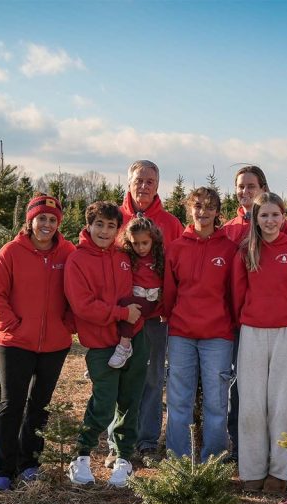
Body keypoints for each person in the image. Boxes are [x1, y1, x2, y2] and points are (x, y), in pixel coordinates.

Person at [0, 194, 76, 491]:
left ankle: (29, 465)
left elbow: (78, 293)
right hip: (14, 343)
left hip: (54, 344)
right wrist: (11, 325)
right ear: (30, 220)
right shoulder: (11, 252)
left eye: (52, 219)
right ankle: (2, 469)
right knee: (12, 405)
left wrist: (68, 325)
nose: (47, 224)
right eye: (42, 218)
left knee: (40, 406)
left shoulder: (68, 253)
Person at [65, 201, 149, 488]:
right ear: (88, 225)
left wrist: (134, 317)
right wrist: (121, 314)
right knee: (103, 401)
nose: (104, 230)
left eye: (111, 226)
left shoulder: (124, 256)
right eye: (99, 224)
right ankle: (81, 456)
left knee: (130, 400)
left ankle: (124, 458)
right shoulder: (77, 260)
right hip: (102, 344)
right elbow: (83, 306)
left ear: (118, 229)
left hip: (135, 338)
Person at [230, 192, 287, 494]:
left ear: (284, 217)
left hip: (286, 332)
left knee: (282, 404)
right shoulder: (246, 251)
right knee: (250, 403)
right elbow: (238, 293)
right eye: (264, 215)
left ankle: (280, 471)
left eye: (275, 215)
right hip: (252, 331)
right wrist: (247, 320)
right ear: (255, 219)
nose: (270, 220)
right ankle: (252, 470)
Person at [221, 165, 287, 463]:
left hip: (273, 323)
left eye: (251, 186)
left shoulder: (279, 226)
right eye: (240, 186)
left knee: (272, 391)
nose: (245, 191)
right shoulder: (228, 229)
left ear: (262, 187)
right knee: (241, 389)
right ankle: (242, 448)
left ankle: (274, 452)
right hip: (237, 320)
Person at [114, 160, 184, 466]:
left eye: (150, 181)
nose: (144, 186)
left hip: (155, 316)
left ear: (158, 186)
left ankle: (146, 440)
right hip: (121, 315)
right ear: (129, 182)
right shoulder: (114, 218)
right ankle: (118, 441)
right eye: (139, 180)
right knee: (121, 376)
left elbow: (178, 269)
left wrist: (169, 306)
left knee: (153, 377)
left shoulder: (170, 224)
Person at [161, 187, 238, 461]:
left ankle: (214, 457)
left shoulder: (228, 249)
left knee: (216, 401)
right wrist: (168, 314)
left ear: (217, 212)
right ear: (189, 209)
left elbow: (234, 293)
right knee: (180, 398)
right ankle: (178, 457)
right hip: (182, 333)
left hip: (217, 335)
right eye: (197, 206)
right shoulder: (177, 247)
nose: (202, 212)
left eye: (208, 207)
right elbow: (169, 290)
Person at [108, 217, 165, 369]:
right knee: (121, 309)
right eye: (135, 243)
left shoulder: (159, 258)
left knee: (125, 307)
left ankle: (124, 345)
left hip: (151, 301)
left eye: (145, 243)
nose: (140, 248)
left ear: (153, 239)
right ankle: (112, 355)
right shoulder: (129, 257)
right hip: (135, 297)